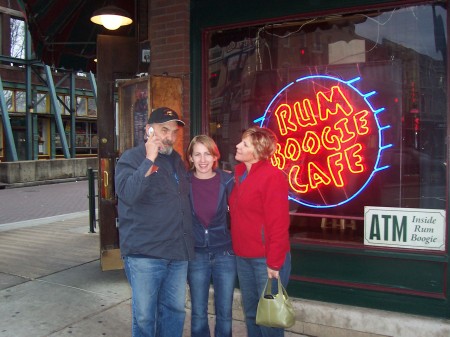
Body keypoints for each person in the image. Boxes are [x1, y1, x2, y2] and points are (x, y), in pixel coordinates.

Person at [115, 106, 195, 337]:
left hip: (177, 253)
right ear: (148, 130)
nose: (170, 137)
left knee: (175, 311)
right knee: (145, 317)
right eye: (163, 130)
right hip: (145, 254)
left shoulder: (177, 161)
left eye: (174, 132)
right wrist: (149, 159)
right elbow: (127, 194)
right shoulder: (131, 158)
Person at [229, 126, 291, 337]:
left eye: (244, 144)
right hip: (243, 256)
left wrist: (274, 262)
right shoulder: (239, 175)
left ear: (257, 152)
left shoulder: (272, 176)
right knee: (251, 315)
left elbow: (279, 223)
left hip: (265, 260)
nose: (238, 146)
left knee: (269, 320)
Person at [186, 135, 236, 337]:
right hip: (197, 254)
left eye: (207, 153)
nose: (203, 160)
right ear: (190, 158)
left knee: (225, 313)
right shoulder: (184, 183)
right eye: (197, 154)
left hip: (225, 252)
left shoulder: (227, 180)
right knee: (198, 313)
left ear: (215, 156)